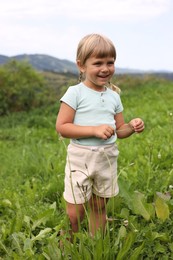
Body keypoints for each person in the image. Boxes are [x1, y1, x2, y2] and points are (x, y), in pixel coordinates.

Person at [56, 33, 144, 239]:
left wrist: (131, 126)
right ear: (81, 66)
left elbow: (119, 130)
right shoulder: (74, 93)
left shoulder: (114, 96)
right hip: (81, 156)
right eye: (98, 63)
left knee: (99, 205)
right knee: (75, 210)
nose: (105, 68)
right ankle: (71, 240)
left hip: (107, 157)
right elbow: (62, 127)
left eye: (110, 62)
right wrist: (94, 130)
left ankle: (97, 242)